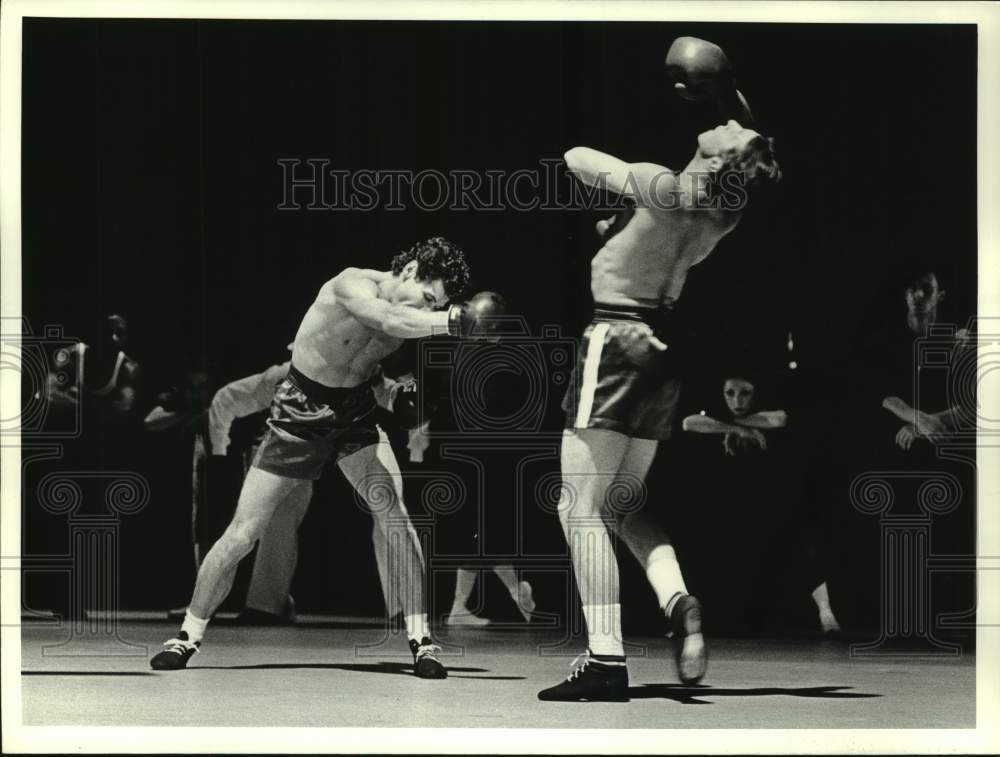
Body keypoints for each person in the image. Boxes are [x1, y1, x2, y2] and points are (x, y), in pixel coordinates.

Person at [538, 37, 781, 702]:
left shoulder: (662, 184)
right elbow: (739, 146)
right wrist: (732, 102)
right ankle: (677, 600)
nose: (711, 125)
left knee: (577, 506)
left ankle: (605, 658)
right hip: (663, 354)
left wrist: (623, 194)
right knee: (626, 503)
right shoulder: (724, 213)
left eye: (718, 132)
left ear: (713, 156)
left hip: (614, 340)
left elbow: (575, 158)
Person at [150, 237, 504, 678]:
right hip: (301, 411)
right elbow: (388, 317)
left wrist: (399, 396)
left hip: (354, 414)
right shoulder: (350, 285)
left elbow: (372, 365)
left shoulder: (413, 314)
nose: (429, 308)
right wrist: (452, 321)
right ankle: (187, 635)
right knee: (245, 532)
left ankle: (422, 640)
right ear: (411, 271)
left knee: (394, 515)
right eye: (429, 298)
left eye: (438, 305)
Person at [682, 374, 842, 636]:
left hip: (773, 497)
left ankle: (826, 613)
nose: (737, 400)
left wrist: (729, 424)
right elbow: (689, 423)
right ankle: (689, 620)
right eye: (730, 393)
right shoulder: (718, 419)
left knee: (803, 549)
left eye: (745, 393)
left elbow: (778, 419)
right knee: (706, 551)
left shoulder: (767, 413)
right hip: (733, 501)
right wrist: (736, 429)